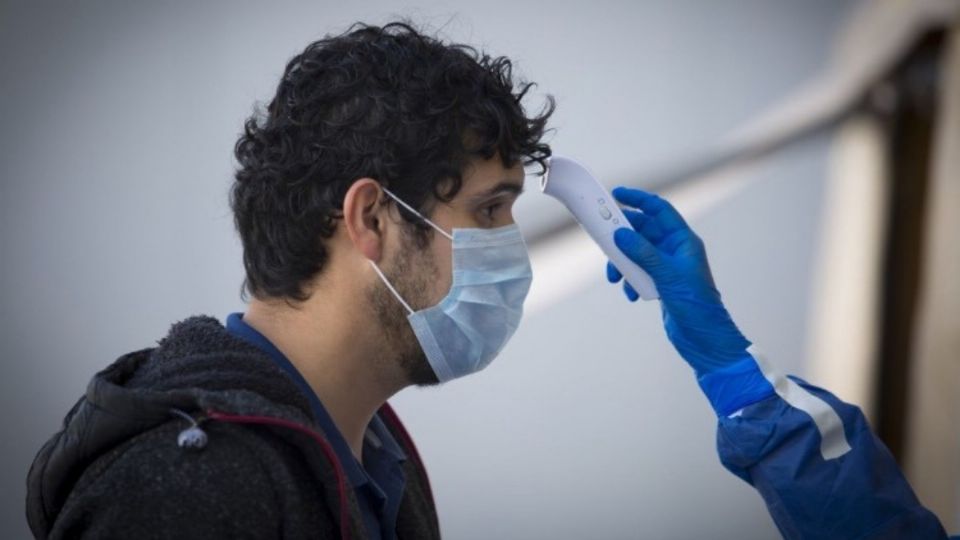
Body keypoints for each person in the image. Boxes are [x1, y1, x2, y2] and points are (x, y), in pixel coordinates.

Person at [24, 20, 950, 540]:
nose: (514, 244)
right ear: (374, 220)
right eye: (492, 210)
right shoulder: (182, 493)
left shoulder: (370, 457)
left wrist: (734, 377)